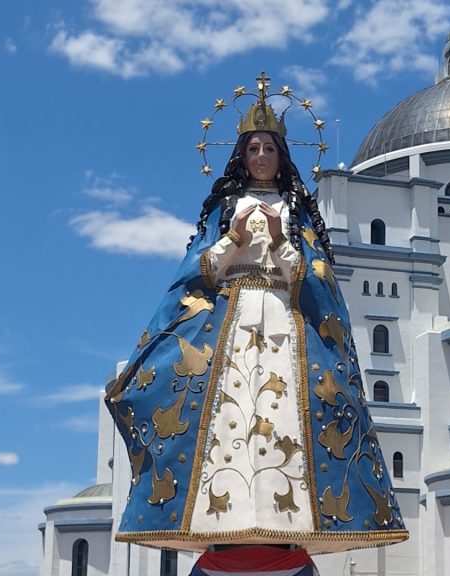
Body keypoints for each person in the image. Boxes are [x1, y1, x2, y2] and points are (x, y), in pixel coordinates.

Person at [104, 87, 408, 554]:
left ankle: (283, 522)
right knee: (229, 422)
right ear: (241, 156)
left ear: (282, 156)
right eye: (253, 148)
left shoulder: (296, 208)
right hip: (232, 322)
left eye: (269, 148)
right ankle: (225, 521)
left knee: (282, 416)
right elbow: (199, 270)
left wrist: (285, 240)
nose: (261, 156)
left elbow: (315, 274)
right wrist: (234, 238)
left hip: (286, 323)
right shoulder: (226, 208)